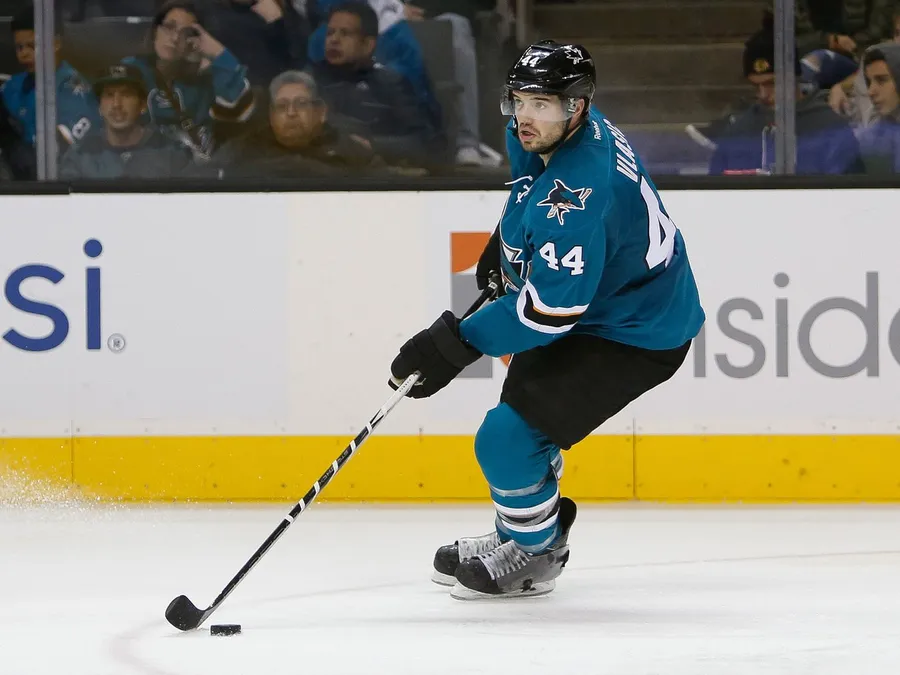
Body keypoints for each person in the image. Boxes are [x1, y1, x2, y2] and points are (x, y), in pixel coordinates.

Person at [387, 40, 705, 599]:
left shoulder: (581, 191)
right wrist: (506, 247)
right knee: (516, 438)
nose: (525, 116)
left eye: (542, 103)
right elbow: (528, 191)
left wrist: (456, 344)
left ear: (577, 106)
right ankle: (518, 531)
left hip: (634, 332)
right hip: (596, 301)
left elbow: (548, 311)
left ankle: (537, 550)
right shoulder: (553, 132)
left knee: (506, 441)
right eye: (519, 100)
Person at [209, 69, 381, 178]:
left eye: (301, 104)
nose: (291, 113)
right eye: (281, 106)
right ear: (271, 115)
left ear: (321, 112)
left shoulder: (350, 149)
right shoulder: (241, 150)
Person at [59, 65, 194, 179]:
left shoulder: (172, 154)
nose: (116, 104)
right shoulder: (80, 156)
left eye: (126, 94)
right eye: (109, 95)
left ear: (142, 105)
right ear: (99, 107)